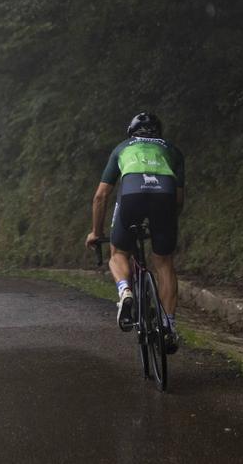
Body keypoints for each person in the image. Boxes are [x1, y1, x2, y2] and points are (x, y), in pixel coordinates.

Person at [85, 112, 185, 353]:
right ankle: (168, 326)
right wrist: (168, 223)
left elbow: (101, 196)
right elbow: (179, 198)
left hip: (132, 196)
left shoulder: (122, 148)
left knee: (118, 252)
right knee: (164, 262)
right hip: (165, 196)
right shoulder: (172, 150)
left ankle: (125, 291)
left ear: (131, 133)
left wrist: (96, 232)